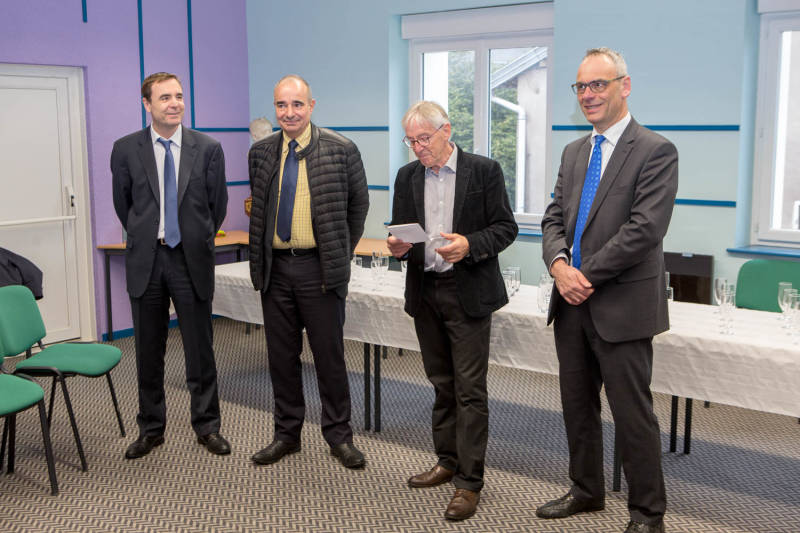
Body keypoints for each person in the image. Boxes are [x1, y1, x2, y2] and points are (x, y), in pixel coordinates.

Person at [539, 48, 678, 533]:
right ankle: (586, 490)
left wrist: (583, 275)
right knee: (577, 407)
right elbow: (553, 218)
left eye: (598, 84)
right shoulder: (574, 152)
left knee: (632, 415)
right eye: (581, 86)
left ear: (625, 85)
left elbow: (644, 230)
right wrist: (559, 265)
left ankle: (647, 515)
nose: (588, 95)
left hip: (622, 306)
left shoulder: (655, 150)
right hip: (571, 303)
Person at [387, 101, 517, 521]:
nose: (418, 148)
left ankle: (469, 482)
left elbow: (506, 228)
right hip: (426, 291)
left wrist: (470, 245)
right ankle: (446, 461)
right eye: (411, 141)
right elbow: (402, 231)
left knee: (469, 390)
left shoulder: (484, 170)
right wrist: (397, 246)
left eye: (424, 139)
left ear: (446, 131)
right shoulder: (407, 176)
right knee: (441, 383)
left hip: (468, 294)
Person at [247, 75, 369, 469]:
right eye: (281, 105)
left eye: (297, 104)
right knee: (281, 358)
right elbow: (260, 209)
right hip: (276, 269)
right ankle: (286, 435)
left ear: (311, 106)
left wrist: (337, 250)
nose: (289, 113)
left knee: (329, 358)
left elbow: (359, 206)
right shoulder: (261, 152)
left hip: (320, 269)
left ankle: (339, 437)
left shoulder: (341, 149)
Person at [111, 72, 231, 459]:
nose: (174, 103)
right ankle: (151, 428)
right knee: (148, 351)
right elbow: (124, 205)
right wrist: (148, 233)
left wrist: (195, 236)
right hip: (147, 260)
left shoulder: (208, 148)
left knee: (200, 349)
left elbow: (217, 205)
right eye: (164, 97)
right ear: (147, 103)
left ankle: (207, 426)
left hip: (190, 259)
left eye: (178, 96)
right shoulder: (126, 149)